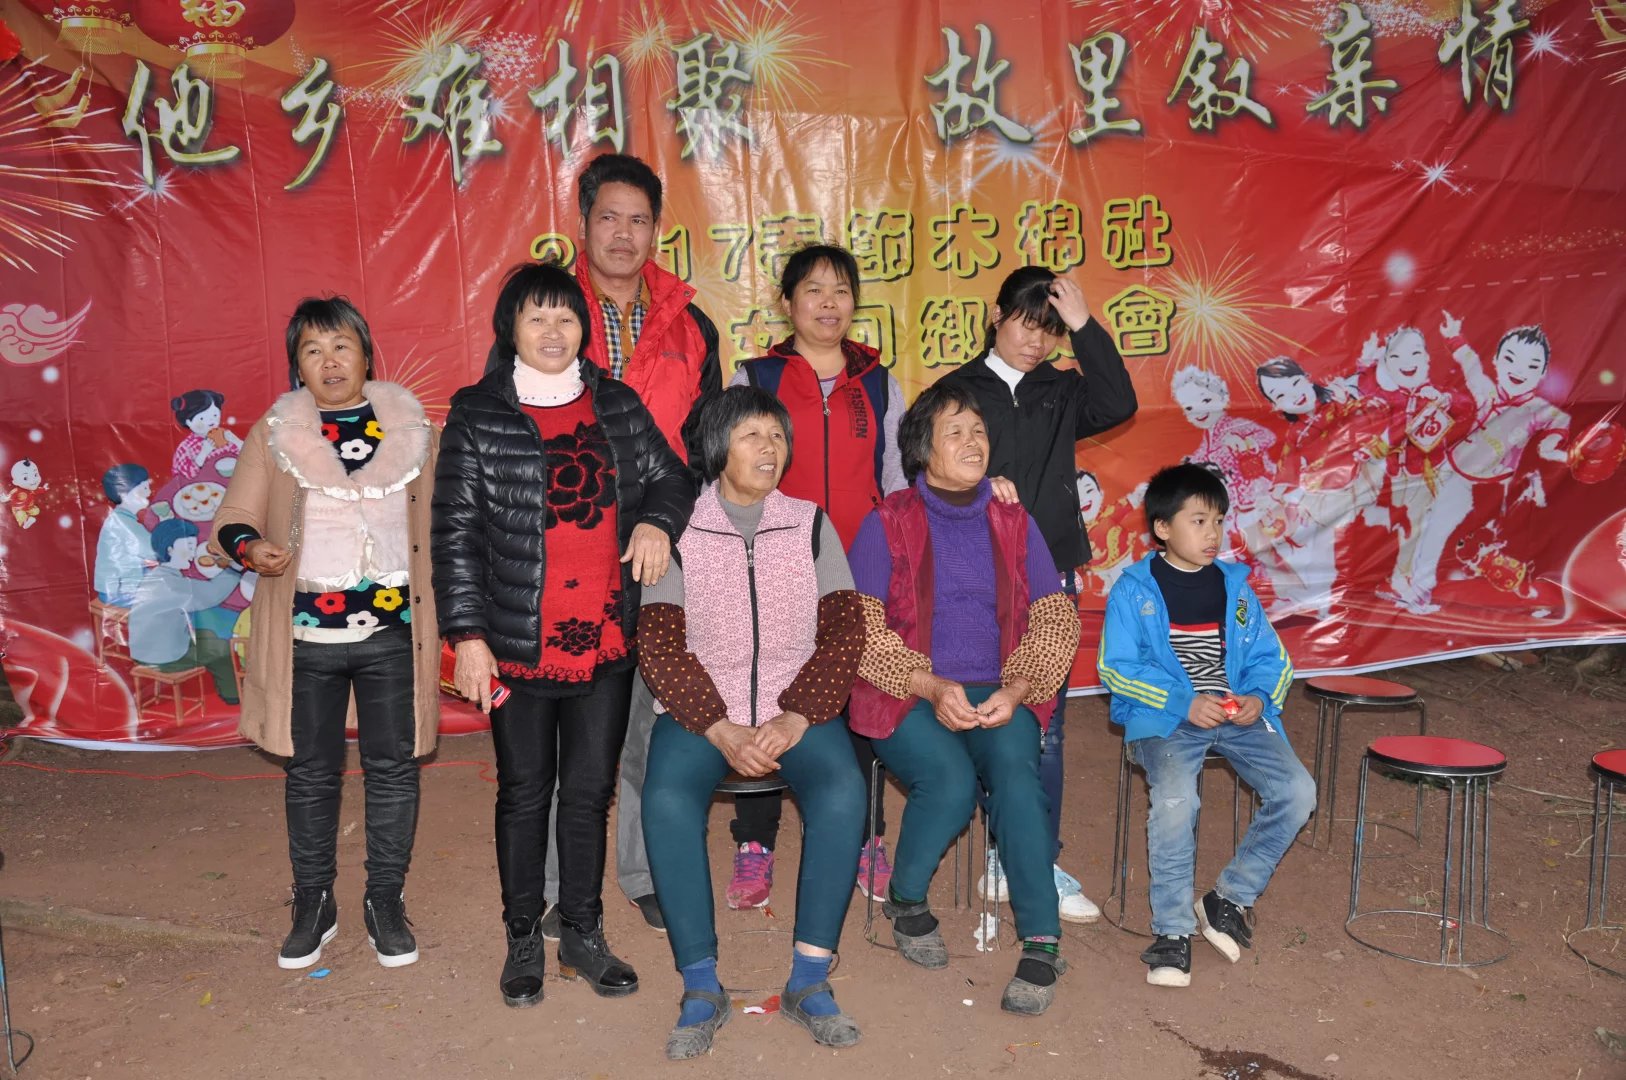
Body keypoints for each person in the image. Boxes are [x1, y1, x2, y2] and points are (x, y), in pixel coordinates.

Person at [433, 262, 696, 1008]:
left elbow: (672, 478)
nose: (553, 332)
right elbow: (454, 532)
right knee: (524, 791)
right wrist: (467, 635)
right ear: (510, 330)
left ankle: (583, 931)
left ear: (584, 329)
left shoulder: (615, 403)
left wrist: (655, 521)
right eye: (537, 318)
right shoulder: (478, 413)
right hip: (516, 641)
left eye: (566, 317)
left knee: (588, 792)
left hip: (605, 638)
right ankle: (523, 937)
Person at [524, 152, 723, 938]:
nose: (623, 233)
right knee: (563, 731)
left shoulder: (691, 324)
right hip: (565, 555)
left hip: (662, 547)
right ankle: (550, 885)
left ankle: (643, 870)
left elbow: (706, 448)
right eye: (608, 216)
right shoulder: (545, 312)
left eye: (639, 220)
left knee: (649, 720)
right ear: (582, 222)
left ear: (655, 230)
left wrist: (672, 524)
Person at [212, 296, 441, 971]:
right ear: (297, 367)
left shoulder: (413, 430)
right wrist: (251, 547)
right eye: (312, 350)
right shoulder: (275, 431)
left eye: (341, 345)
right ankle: (313, 902)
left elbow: (450, 519)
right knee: (310, 775)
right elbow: (232, 517)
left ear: (367, 354)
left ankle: (385, 900)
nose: (330, 361)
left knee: (393, 770)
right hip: (306, 638)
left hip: (394, 635)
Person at [638, 386, 868, 1059]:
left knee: (843, 791)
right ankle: (700, 986)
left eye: (777, 435)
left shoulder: (809, 523)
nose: (770, 448)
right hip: (703, 713)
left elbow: (844, 631)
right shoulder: (680, 530)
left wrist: (797, 714)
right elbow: (659, 642)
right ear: (718, 448)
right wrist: (718, 727)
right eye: (752, 436)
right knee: (665, 799)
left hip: (797, 708)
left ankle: (809, 978)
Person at [849, 382, 1081, 1016]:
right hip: (906, 689)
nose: (972, 441)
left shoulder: (1013, 519)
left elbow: (1055, 617)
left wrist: (1018, 687)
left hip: (1001, 687)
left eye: (978, 430)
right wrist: (930, 684)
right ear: (922, 450)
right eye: (954, 432)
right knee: (949, 783)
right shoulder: (886, 522)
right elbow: (861, 628)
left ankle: (1042, 940)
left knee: (1018, 777)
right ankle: (906, 900)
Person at [937, 266, 1137, 924]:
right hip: (972, 578)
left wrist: (1084, 325)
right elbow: (920, 470)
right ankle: (1003, 848)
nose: (1036, 341)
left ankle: (1035, 856)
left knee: (1047, 726)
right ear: (995, 317)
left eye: (1050, 330)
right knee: (987, 713)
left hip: (1050, 575)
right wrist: (974, 488)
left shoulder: (1062, 389)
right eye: (1027, 324)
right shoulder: (957, 393)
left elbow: (1119, 404)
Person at [722, 243, 906, 909]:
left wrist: (895, 556)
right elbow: (728, 469)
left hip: (858, 570)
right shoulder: (755, 378)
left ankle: (864, 836)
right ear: (788, 302)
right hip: (771, 565)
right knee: (765, 696)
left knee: (860, 704)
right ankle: (755, 842)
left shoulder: (880, 383)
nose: (829, 303)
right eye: (813, 290)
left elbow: (897, 479)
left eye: (841, 291)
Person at [1097, 463, 1314, 988]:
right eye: (1198, 521)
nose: (1212, 533)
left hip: (1235, 714)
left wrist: (1259, 698)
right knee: (1177, 802)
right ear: (1163, 529)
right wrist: (1183, 702)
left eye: (1218, 521)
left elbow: (1271, 658)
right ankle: (1172, 933)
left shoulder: (1235, 587)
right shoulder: (1133, 590)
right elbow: (1115, 667)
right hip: (1165, 719)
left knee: (1298, 792)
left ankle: (1229, 897)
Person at [1256, 356, 1390, 620]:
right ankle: (1308, 600)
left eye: (1295, 383)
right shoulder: (1296, 433)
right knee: (1287, 542)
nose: (1293, 395)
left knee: (1328, 546)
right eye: (1280, 395)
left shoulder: (1340, 402)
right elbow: (1288, 467)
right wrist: (1280, 493)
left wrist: (1349, 404)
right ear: (1275, 406)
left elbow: (1375, 419)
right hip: (1321, 495)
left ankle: (1327, 602)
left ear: (1307, 378)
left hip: (1356, 486)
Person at [130, 517, 241, 706]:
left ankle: (231, 691)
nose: (193, 552)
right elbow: (211, 594)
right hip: (163, 657)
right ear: (170, 549)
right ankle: (233, 697)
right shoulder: (171, 584)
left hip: (147, 648)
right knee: (222, 649)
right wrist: (234, 569)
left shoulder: (158, 576)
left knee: (207, 635)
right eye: (189, 546)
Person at [95, 463, 155, 605]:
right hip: (118, 591)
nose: (148, 493)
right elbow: (152, 550)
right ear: (124, 493)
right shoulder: (123, 523)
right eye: (144, 488)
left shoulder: (121, 518)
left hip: (119, 585)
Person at [169, 388, 243, 480]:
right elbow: (187, 476)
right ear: (188, 421)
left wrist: (236, 440)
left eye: (215, 415)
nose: (211, 421)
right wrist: (204, 452)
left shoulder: (224, 436)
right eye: (202, 418)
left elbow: (248, 457)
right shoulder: (186, 447)